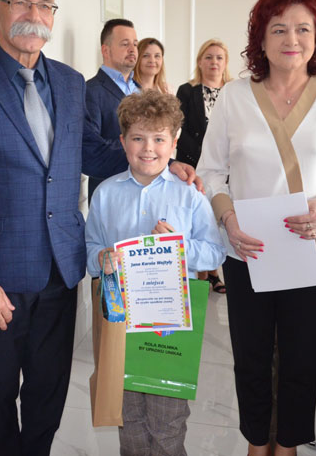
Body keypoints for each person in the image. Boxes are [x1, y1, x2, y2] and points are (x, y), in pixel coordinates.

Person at [0, 0, 199, 456]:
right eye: (20, 2)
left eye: (45, 5)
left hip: (60, 270)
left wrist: (160, 160)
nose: (34, 14)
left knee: (49, 392)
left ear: (53, 15)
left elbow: (91, 153)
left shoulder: (71, 84)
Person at [197, 0, 316, 456]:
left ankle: (289, 445)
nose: (291, 39)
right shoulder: (235, 96)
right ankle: (257, 442)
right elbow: (210, 171)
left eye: (303, 28)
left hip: (313, 253)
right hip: (248, 250)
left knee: (301, 360)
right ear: (261, 38)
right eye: (278, 29)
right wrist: (227, 218)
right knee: (250, 358)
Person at [86, 90, 226, 456]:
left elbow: (214, 251)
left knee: (167, 422)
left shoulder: (190, 195)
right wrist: (102, 257)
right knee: (128, 417)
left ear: (174, 142)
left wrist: (177, 246)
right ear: (123, 142)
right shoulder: (105, 194)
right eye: (138, 138)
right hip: (120, 322)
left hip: (171, 326)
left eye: (159, 139)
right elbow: (90, 249)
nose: (148, 148)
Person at [176, 39, 233, 293]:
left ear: (225, 62)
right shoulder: (187, 91)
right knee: (199, 219)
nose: (214, 62)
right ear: (200, 61)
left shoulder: (234, 92)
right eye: (208, 57)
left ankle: (217, 270)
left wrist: (223, 158)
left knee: (222, 216)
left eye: (219, 57)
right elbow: (180, 128)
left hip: (227, 168)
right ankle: (205, 274)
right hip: (193, 166)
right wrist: (205, 157)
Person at [85, 19, 140, 199]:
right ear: (105, 50)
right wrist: (139, 149)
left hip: (146, 191)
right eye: (125, 44)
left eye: (135, 44)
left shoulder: (141, 91)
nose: (132, 49)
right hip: (111, 194)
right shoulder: (90, 91)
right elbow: (92, 150)